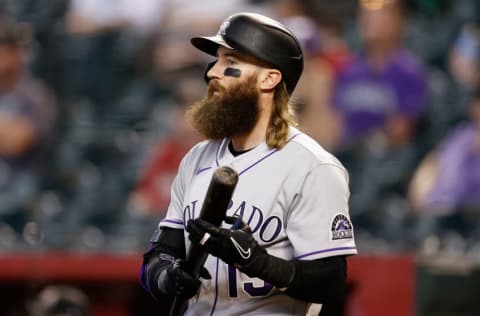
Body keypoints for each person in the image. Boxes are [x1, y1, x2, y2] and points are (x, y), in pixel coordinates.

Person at [140, 12, 357, 315]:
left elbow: (330, 282)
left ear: (270, 78)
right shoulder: (195, 159)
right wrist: (168, 276)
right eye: (216, 60)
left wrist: (257, 262)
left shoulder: (312, 166)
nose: (212, 72)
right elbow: (159, 254)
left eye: (230, 62)